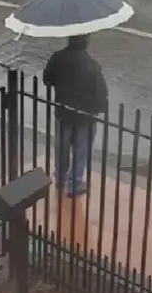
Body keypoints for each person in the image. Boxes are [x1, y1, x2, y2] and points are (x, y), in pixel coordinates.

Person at [42, 35, 109, 197]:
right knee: (81, 149)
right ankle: (75, 183)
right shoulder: (92, 66)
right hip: (84, 116)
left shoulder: (57, 58)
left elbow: (47, 79)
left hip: (63, 111)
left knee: (62, 147)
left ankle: (60, 178)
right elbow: (102, 93)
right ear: (86, 43)